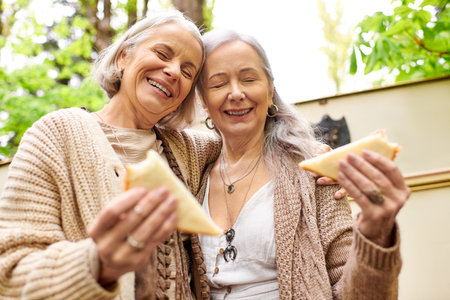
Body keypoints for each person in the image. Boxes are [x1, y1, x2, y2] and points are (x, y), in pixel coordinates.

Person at [0, 11, 222, 300]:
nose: (173, 71)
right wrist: (95, 264)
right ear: (124, 57)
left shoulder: (189, 151)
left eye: (188, 71)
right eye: (162, 53)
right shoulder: (53, 135)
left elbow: (253, 133)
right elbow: (9, 271)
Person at [194, 28, 410, 299]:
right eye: (218, 84)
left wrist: (376, 232)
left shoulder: (312, 168)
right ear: (203, 100)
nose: (236, 93)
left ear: (270, 90)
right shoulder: (193, 173)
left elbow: (354, 290)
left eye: (249, 79)